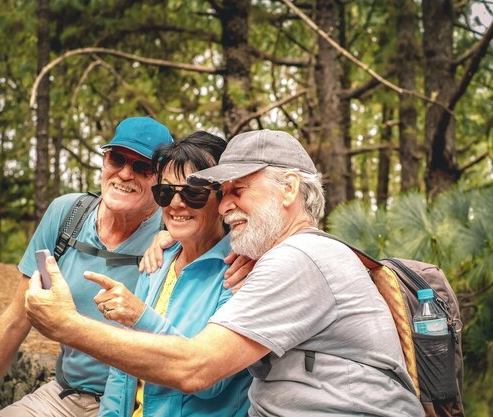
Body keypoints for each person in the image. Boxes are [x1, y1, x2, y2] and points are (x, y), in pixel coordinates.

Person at [25, 129, 425, 416]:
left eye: (238, 190)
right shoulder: (271, 259)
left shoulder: (297, 260)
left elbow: (197, 369)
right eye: (224, 191)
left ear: (289, 190)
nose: (226, 205)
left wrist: (66, 326)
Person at [0, 116, 174, 417]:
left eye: (142, 167)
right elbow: (16, 319)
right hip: (66, 397)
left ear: (161, 179)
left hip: (140, 405)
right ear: (103, 161)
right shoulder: (67, 215)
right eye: (117, 159)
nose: (125, 173)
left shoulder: (174, 230)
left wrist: (174, 235)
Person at [92, 131, 251, 417]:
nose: (176, 204)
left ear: (223, 197)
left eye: (194, 193)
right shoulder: (157, 261)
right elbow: (122, 368)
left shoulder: (241, 272)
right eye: (165, 192)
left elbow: (208, 381)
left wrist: (141, 317)